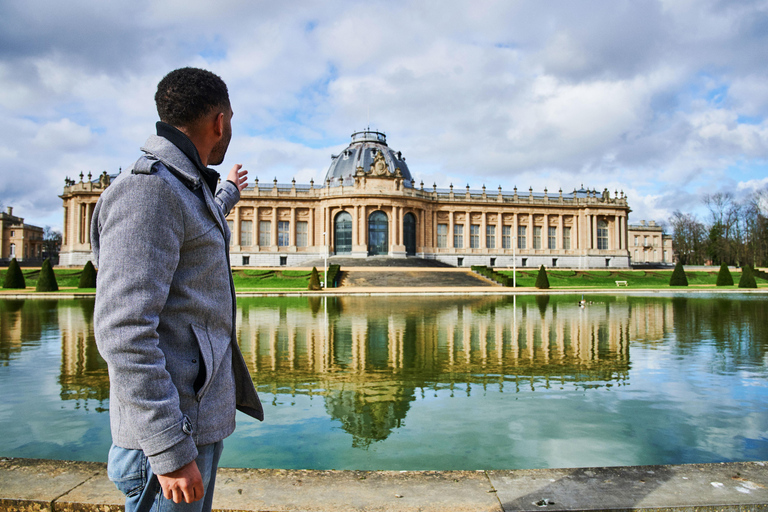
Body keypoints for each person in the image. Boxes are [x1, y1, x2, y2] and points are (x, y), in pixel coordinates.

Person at [91, 67, 263, 512]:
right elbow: (123, 331)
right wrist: (169, 450)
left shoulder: (181, 186)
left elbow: (194, 227)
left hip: (191, 422)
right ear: (220, 122)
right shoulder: (148, 191)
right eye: (232, 121)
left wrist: (228, 195)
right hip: (169, 438)